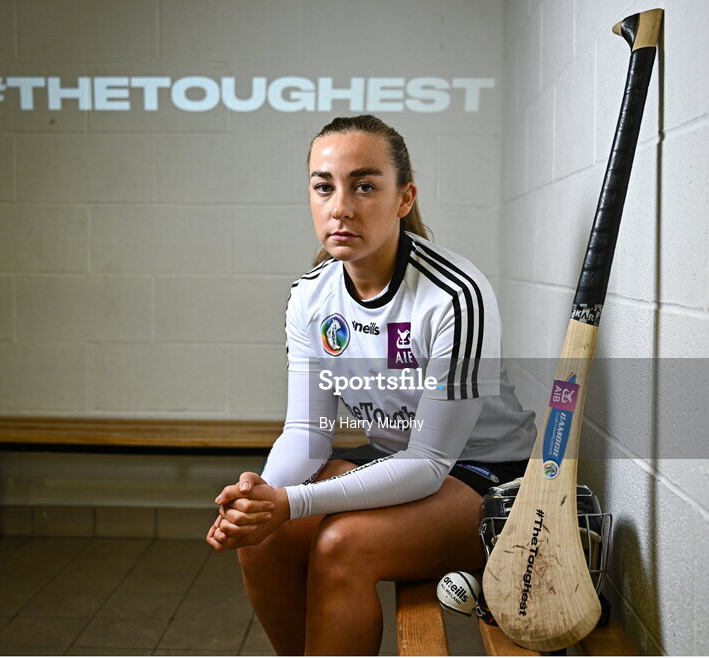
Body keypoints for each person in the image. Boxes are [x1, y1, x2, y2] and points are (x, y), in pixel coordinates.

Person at [206, 115, 535, 655]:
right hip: (390, 458)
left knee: (343, 545)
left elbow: (429, 464)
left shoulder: (454, 295)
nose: (340, 206)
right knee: (266, 541)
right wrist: (259, 499)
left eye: (364, 185)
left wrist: (290, 501)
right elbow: (308, 432)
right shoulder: (310, 296)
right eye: (323, 186)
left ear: (404, 198)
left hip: (489, 477)